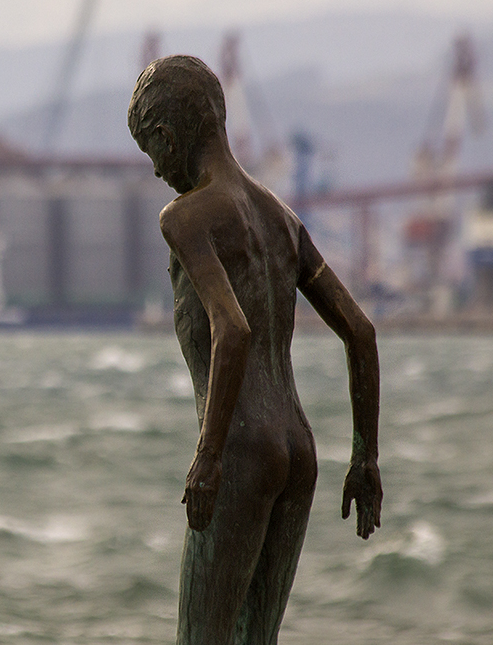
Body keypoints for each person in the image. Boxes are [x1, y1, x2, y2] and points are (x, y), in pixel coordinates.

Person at [127, 55, 382, 644]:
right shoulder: (283, 220)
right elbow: (361, 332)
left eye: (151, 152)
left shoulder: (186, 218)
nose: (157, 171)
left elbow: (232, 330)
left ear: (167, 137)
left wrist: (208, 457)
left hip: (241, 452)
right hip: (299, 451)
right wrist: (365, 457)